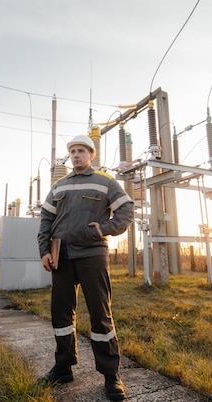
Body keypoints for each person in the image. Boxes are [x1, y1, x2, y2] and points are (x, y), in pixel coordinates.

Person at [37, 134, 134, 401]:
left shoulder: (105, 181)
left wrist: (104, 229)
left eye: (81, 151)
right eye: (73, 151)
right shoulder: (59, 186)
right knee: (61, 314)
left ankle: (111, 375)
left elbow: (126, 210)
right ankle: (63, 367)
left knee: (100, 314)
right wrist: (44, 250)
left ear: (91, 154)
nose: (76, 155)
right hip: (62, 256)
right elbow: (46, 219)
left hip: (92, 254)